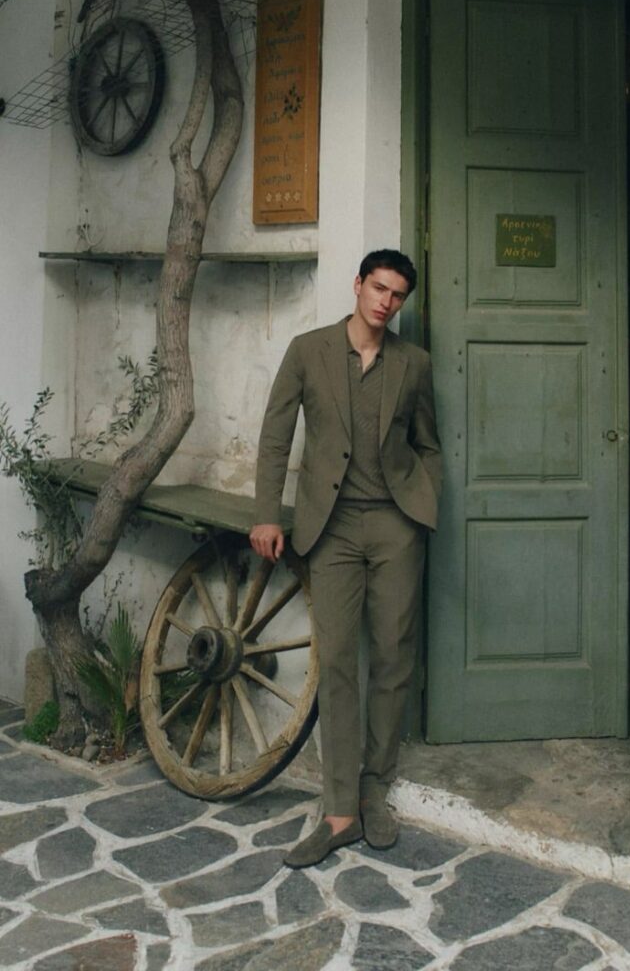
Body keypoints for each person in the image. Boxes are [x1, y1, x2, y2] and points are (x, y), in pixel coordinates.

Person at [250, 248, 441, 868]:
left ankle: (374, 787)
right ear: (357, 284)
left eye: (398, 296)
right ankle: (338, 811)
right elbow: (276, 433)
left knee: (392, 655)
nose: (386, 303)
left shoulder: (413, 364)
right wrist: (267, 513)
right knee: (336, 660)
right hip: (328, 531)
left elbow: (426, 444)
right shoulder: (309, 351)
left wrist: (423, 504)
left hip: (395, 528)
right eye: (378, 288)